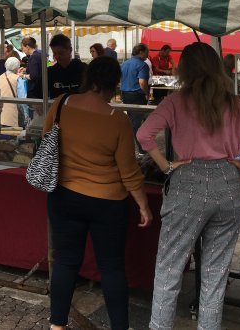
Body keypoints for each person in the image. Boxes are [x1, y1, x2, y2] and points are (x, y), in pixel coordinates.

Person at [136, 42, 240, 330]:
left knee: (169, 270)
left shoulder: (175, 102)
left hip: (187, 182)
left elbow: (144, 134)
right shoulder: (236, 105)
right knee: (215, 275)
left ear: (184, 70)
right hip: (227, 184)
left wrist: (165, 165)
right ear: (218, 68)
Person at [46, 57, 152, 330]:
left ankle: (57, 326)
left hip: (64, 195)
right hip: (108, 203)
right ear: (115, 83)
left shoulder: (60, 104)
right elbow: (128, 171)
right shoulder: (117, 119)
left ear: (87, 77)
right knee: (112, 268)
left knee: (66, 262)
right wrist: (143, 205)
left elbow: (47, 142)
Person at [47, 34, 86, 98]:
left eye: (61, 53)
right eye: (54, 53)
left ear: (70, 50)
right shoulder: (50, 72)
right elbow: (35, 94)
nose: (57, 57)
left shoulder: (84, 69)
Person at [0, 56, 21, 127]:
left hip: (1, 114)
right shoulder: (18, 79)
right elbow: (22, 97)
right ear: (16, 67)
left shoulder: (0, 77)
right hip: (12, 114)